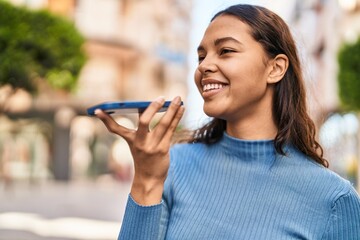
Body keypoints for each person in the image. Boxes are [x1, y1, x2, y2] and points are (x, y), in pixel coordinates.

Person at [95, 4, 360, 240]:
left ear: (275, 68)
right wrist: (147, 180)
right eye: (201, 56)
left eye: (226, 51)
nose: (204, 66)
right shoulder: (172, 167)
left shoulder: (334, 199)